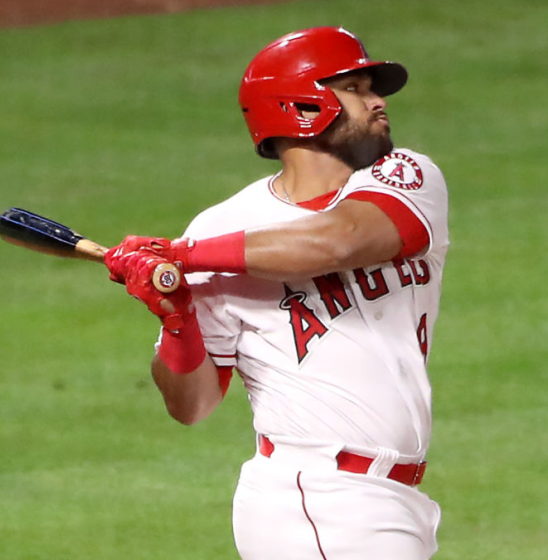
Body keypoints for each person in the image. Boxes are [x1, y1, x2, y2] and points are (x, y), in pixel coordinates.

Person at [105, 26, 450, 560]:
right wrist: (177, 320)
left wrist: (183, 255)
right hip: (316, 498)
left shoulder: (404, 176)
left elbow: (339, 241)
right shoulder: (225, 225)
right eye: (355, 88)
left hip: (393, 500)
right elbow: (192, 404)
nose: (377, 101)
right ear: (299, 105)